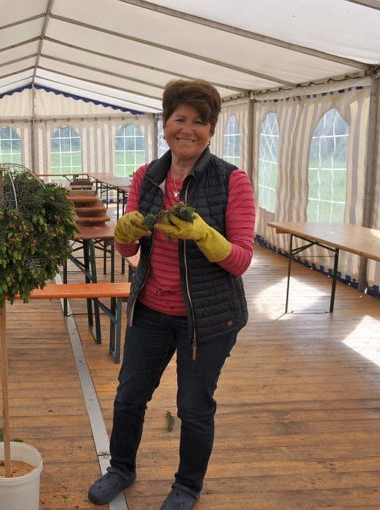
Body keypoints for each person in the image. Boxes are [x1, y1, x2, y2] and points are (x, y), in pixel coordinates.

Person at [87, 79, 255, 509]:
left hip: (210, 319)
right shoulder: (147, 176)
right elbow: (129, 247)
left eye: (200, 122)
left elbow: (240, 259)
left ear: (211, 129)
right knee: (129, 396)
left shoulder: (232, 181)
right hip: (151, 310)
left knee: (194, 407)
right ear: (165, 124)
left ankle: (186, 487)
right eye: (180, 119)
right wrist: (122, 234)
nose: (189, 129)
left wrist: (204, 235)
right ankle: (120, 468)